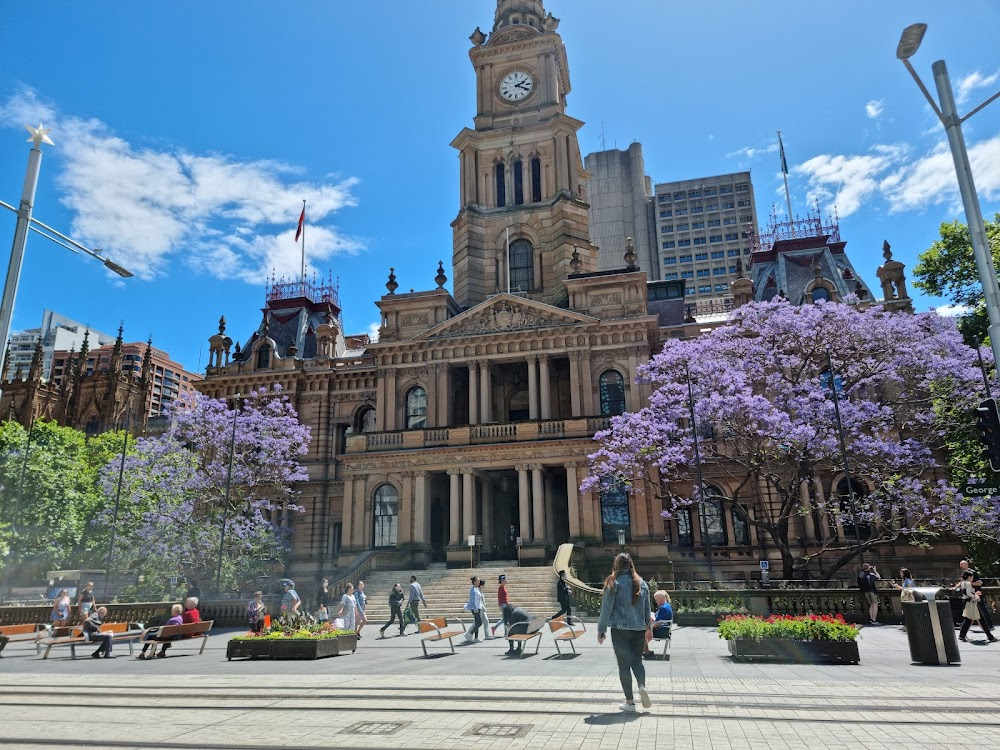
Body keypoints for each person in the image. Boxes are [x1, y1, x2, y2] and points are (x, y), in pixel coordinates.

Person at [597, 553, 652, 713]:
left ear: (616, 565)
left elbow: (606, 608)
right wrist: (648, 628)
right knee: (637, 662)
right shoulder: (641, 583)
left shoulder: (614, 582)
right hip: (639, 629)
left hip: (620, 630)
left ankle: (630, 702)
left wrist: (601, 629)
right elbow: (647, 609)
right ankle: (641, 686)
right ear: (630, 565)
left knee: (624, 666)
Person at [958, 570, 996, 642]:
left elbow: (967, 593)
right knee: (980, 619)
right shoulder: (968, 583)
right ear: (969, 577)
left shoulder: (963, 583)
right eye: (972, 577)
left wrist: (975, 595)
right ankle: (990, 636)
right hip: (971, 602)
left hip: (967, 602)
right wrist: (976, 596)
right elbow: (969, 593)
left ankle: (962, 635)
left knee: (969, 619)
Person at [643, 590, 673, 659]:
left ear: (662, 597)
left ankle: (646, 651)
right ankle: (644, 649)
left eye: (656, 599)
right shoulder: (665, 606)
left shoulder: (664, 608)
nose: (655, 601)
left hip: (662, 631)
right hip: (663, 629)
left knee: (641, 631)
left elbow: (658, 623)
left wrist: (649, 628)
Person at [464, 577, 484, 642]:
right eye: (478, 581)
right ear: (474, 582)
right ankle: (469, 633)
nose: (479, 582)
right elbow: (473, 600)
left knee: (476, 622)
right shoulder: (473, 590)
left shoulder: (477, 589)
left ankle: (476, 637)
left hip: (479, 607)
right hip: (475, 608)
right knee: (479, 622)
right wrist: (475, 609)